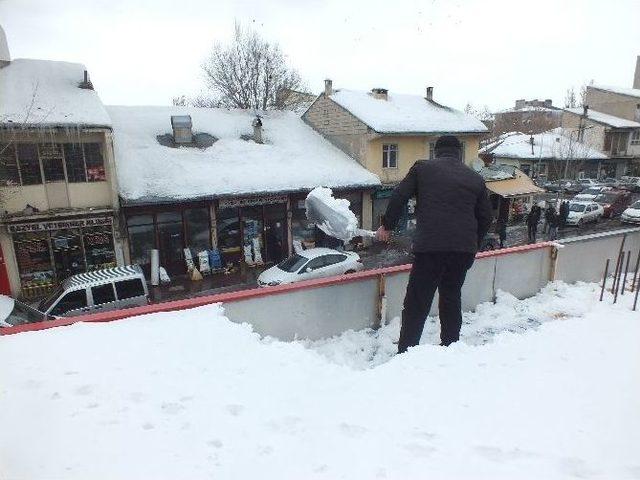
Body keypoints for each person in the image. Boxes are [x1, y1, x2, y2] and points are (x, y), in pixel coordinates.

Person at [375, 136, 493, 352]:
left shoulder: (422, 168)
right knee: (451, 296)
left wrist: (387, 226)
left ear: (436, 152)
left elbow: (399, 195)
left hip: (430, 248)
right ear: (459, 153)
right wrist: (472, 243)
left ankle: (407, 353)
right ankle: (451, 348)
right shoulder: (475, 178)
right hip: (462, 251)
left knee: (417, 301)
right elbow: (486, 217)